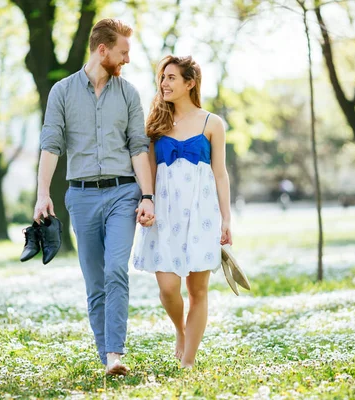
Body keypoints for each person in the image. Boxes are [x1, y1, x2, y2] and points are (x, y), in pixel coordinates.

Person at [33, 18, 155, 376]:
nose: (127, 59)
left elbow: (138, 147)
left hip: (122, 193)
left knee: (117, 269)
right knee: (95, 281)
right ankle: (107, 356)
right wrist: (43, 194)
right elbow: (50, 145)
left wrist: (146, 195)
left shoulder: (129, 93)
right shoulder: (62, 92)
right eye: (122, 52)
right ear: (103, 50)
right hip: (82, 197)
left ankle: (116, 353)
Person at [132, 55, 232, 368]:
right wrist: (145, 200)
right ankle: (180, 329)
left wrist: (226, 219)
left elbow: (220, 174)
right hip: (166, 213)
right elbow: (147, 171)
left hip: (202, 213)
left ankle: (188, 362)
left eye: (172, 77)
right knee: (168, 289)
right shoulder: (155, 126)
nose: (164, 83)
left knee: (197, 289)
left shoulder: (212, 123)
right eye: (163, 77)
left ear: (190, 83)